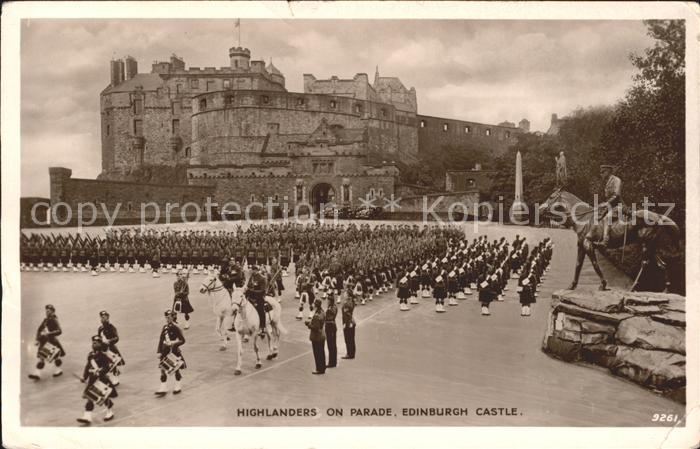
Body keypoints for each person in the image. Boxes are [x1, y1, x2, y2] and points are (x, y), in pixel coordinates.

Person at [77, 335, 118, 424]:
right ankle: (87, 416)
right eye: (93, 343)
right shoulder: (90, 355)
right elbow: (88, 366)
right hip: (92, 379)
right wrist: (84, 376)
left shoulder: (103, 355)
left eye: (96, 343)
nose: (93, 344)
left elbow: (106, 367)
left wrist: (99, 371)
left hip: (101, 380)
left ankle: (109, 411)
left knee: (104, 397)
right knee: (90, 397)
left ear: (100, 344)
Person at [28, 304, 66, 380]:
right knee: (43, 358)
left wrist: (48, 333)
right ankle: (37, 374)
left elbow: (59, 331)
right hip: (44, 342)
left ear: (52, 311)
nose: (47, 312)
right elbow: (39, 329)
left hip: (51, 342)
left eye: (48, 311)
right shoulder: (45, 320)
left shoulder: (54, 319)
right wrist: (37, 339)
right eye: (46, 311)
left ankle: (58, 370)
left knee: (54, 358)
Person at [155, 310, 186, 397]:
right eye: (166, 318)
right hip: (165, 351)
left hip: (174, 351)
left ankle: (178, 385)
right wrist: (159, 351)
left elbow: (182, 340)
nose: (167, 319)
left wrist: (174, 344)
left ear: (173, 317)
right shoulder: (165, 327)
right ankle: (163, 387)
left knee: (176, 370)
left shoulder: (176, 327)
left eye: (169, 317)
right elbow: (161, 340)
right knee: (162, 369)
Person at [594, 164, 623, 248]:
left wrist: (606, 203)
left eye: (603, 172)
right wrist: (602, 205)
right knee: (597, 216)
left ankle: (605, 241)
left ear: (608, 171)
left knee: (607, 218)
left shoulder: (617, 180)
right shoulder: (608, 182)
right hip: (610, 207)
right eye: (601, 172)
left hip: (618, 207)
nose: (601, 174)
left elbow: (616, 195)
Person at [97, 310, 125, 386]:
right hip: (104, 349)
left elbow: (116, 338)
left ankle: (116, 378)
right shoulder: (100, 328)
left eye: (104, 317)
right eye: (101, 317)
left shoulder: (111, 327)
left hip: (111, 349)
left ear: (107, 318)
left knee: (113, 364)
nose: (102, 319)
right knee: (106, 364)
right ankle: (109, 378)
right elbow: (99, 338)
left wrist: (109, 341)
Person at [246, 265, 268, 338]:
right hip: (251, 296)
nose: (252, 271)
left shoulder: (262, 278)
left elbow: (263, 290)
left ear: (256, 270)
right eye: (251, 270)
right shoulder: (252, 277)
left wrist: (253, 291)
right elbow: (249, 285)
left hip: (259, 296)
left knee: (260, 311)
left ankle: (262, 327)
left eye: (253, 270)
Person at [306, 299, 326, 374]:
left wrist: (308, 325)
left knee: (317, 353)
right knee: (321, 352)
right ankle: (322, 368)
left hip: (317, 336)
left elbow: (316, 327)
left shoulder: (317, 315)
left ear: (316, 305)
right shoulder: (322, 312)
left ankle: (319, 369)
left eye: (314, 304)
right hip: (322, 335)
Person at [341, 288, 356, 360]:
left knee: (348, 338)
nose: (344, 294)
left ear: (348, 295)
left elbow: (346, 315)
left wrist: (345, 323)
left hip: (348, 322)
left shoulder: (347, 303)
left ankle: (349, 353)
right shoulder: (351, 301)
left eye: (345, 293)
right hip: (351, 322)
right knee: (351, 338)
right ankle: (352, 353)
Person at [324, 292, 338, 368]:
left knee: (331, 345)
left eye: (328, 300)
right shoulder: (333, 307)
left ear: (330, 301)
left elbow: (328, 317)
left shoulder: (331, 308)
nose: (327, 302)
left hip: (330, 327)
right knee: (332, 345)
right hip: (331, 326)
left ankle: (332, 362)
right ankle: (333, 361)